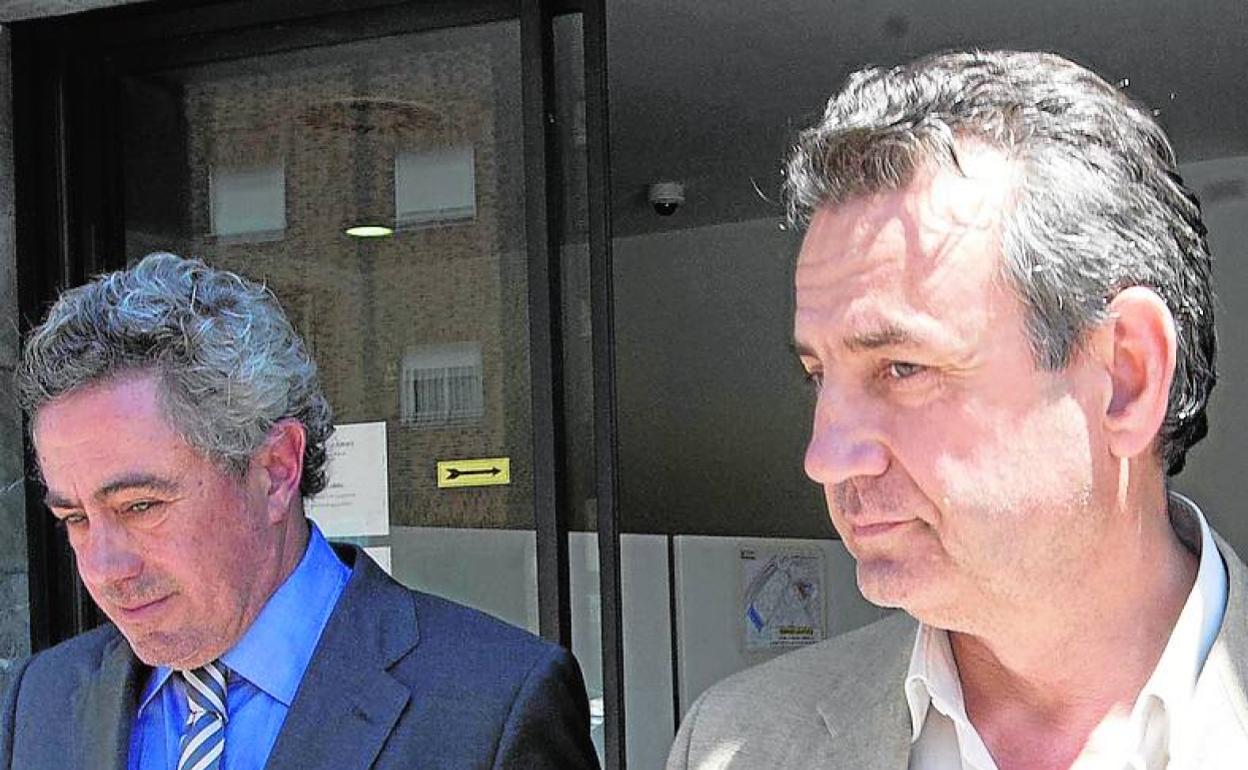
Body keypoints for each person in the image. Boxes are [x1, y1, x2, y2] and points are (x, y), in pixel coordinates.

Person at [668, 49, 1247, 769]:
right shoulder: (737, 743)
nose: (825, 457)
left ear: (1126, 377)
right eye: (819, 375)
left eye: (902, 367)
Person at [0, 252, 599, 769]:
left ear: (276, 470)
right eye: (74, 518)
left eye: (140, 506)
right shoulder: (40, 701)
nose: (104, 567)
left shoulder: (494, 706)